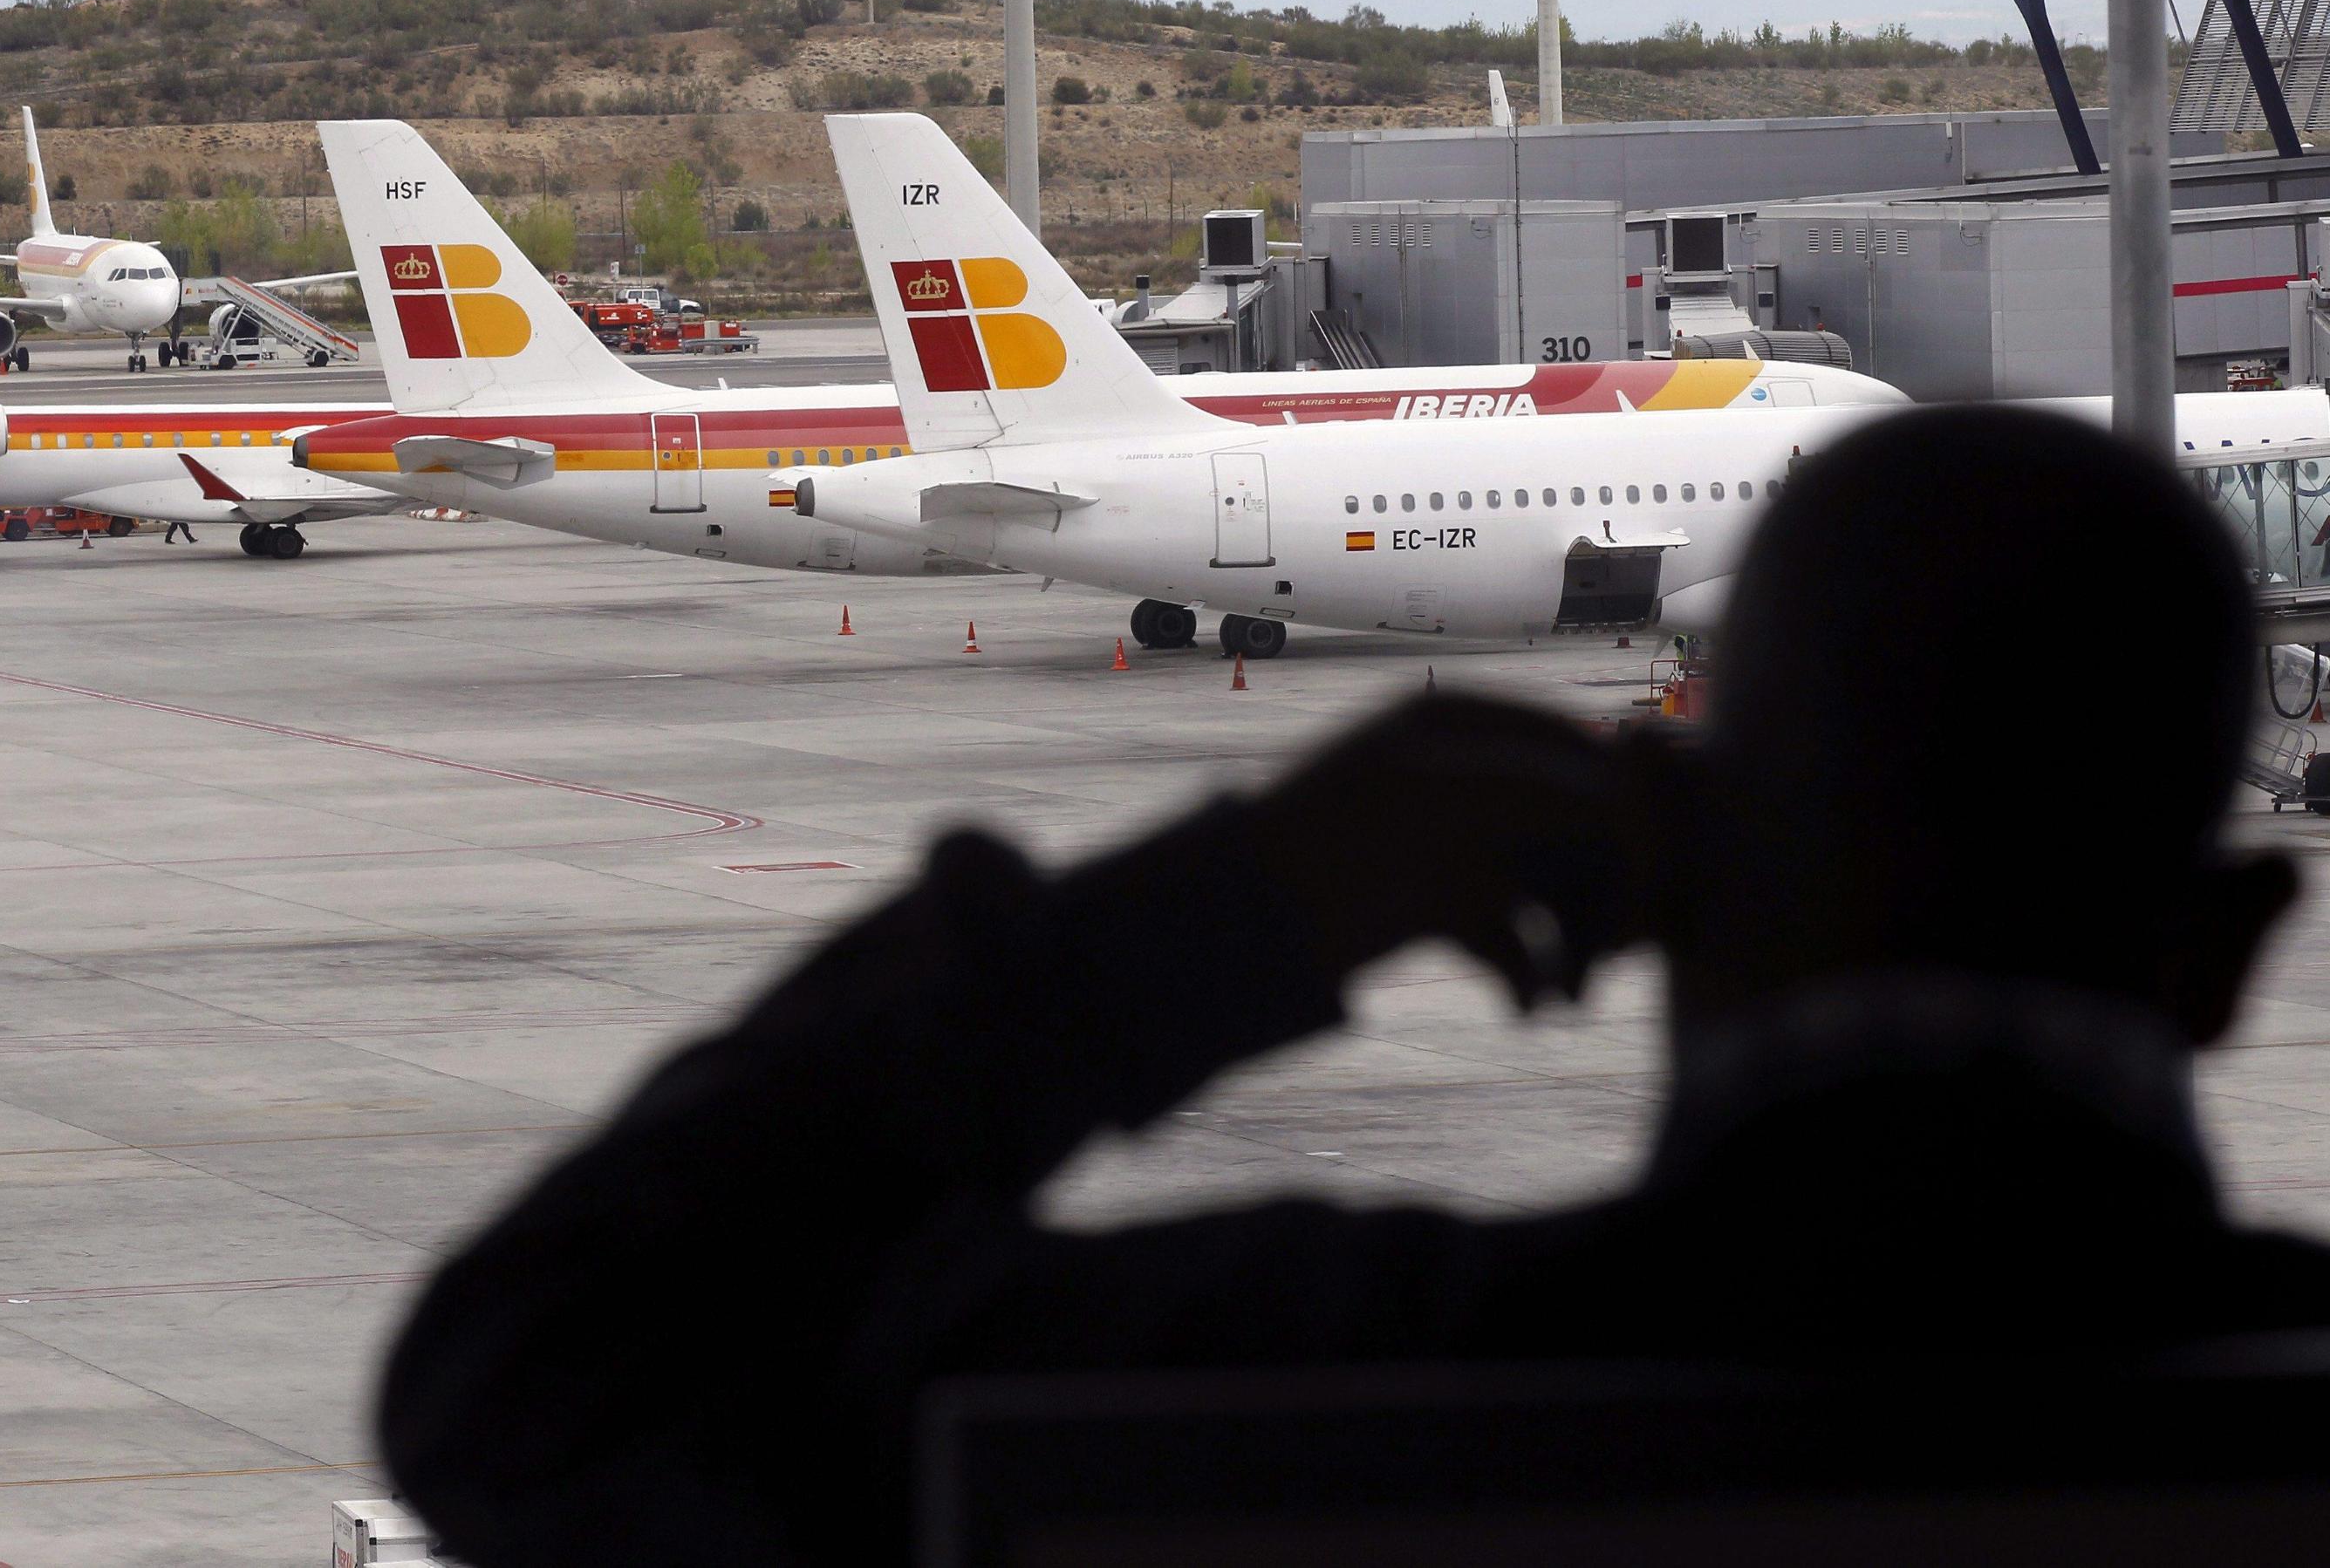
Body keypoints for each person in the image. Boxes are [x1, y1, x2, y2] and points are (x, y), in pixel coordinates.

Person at [377, 407, 2325, 1566]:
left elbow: (532, 1377)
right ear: (2238, 945)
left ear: (1663, 859)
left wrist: (1225, 909)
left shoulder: (1314, 1381)